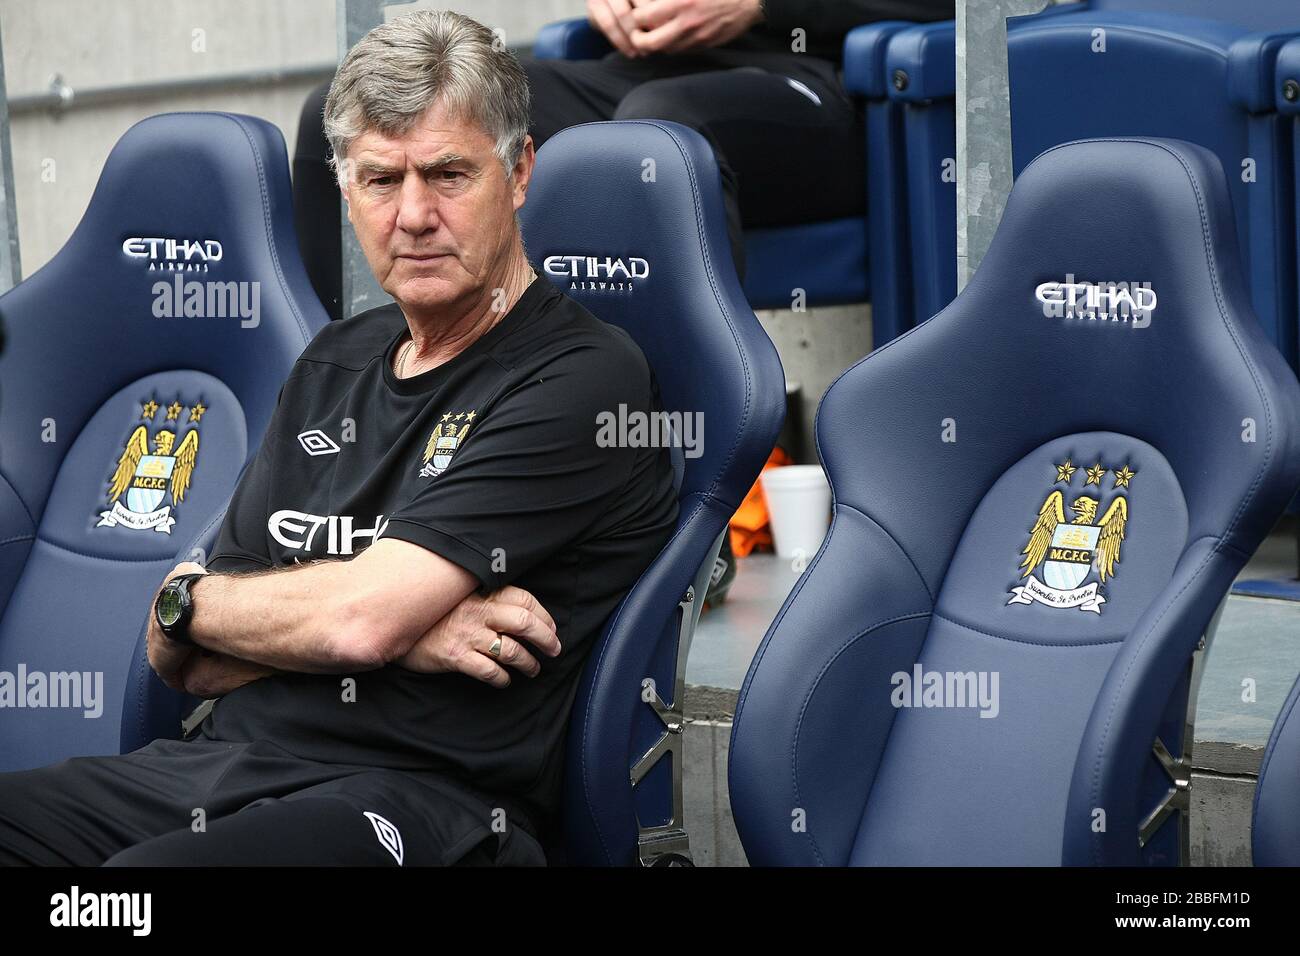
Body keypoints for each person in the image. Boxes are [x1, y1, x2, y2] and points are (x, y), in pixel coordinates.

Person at [0, 9, 677, 867]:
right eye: (380, 180)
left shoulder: (583, 378)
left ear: (518, 172)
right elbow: (183, 658)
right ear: (345, 189)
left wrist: (296, 615)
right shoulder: (332, 360)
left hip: (420, 804)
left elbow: (356, 625)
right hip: (216, 771)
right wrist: (396, 633)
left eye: (448, 174)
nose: (415, 215)